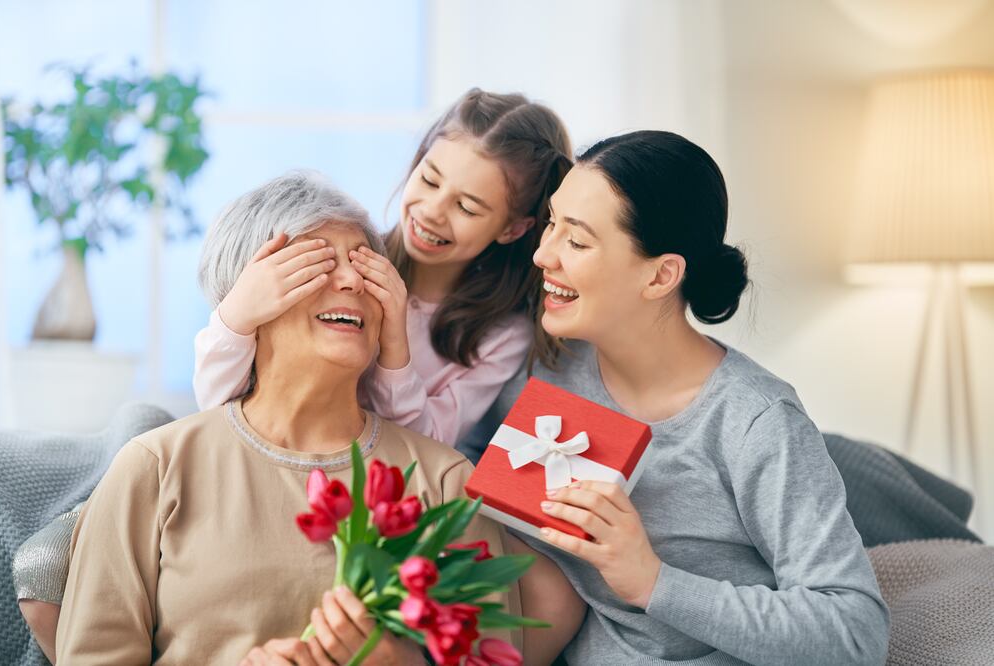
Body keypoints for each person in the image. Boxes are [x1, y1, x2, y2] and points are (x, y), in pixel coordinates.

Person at [51, 171, 578, 665]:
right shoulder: (154, 467)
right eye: (319, 264)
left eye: (366, 264)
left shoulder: (445, 482)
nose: (350, 280)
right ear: (248, 296)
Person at [461, 130, 891, 665]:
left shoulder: (754, 422)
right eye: (551, 223)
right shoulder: (545, 364)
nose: (544, 254)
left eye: (576, 240)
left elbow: (856, 634)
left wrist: (652, 580)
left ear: (662, 274)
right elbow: (455, 468)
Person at [193, 88, 573, 448]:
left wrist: (394, 347)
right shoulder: (344, 266)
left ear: (512, 229)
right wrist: (237, 315)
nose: (432, 211)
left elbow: (426, 450)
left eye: (467, 208)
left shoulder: (500, 337)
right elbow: (221, 407)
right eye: (428, 180)